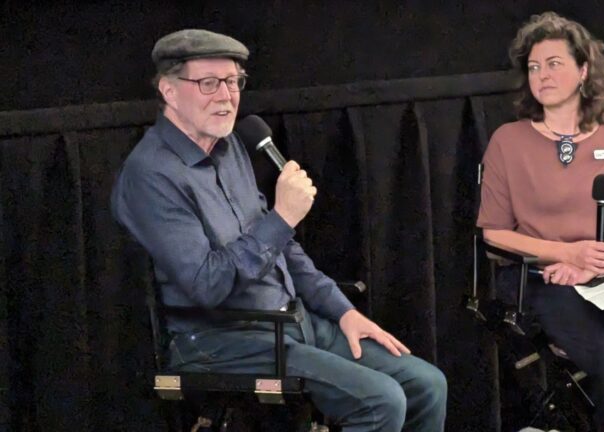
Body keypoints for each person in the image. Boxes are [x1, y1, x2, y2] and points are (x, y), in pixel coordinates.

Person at [111, 29, 446, 432]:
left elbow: (280, 247)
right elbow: (206, 284)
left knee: (426, 384)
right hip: (221, 340)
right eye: (208, 83)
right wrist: (283, 217)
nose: (226, 95)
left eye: (234, 81)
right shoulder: (151, 173)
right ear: (168, 90)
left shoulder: (230, 145)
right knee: (380, 400)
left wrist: (343, 311)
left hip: (290, 322)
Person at [476, 12, 604, 432]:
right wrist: (566, 254)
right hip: (540, 277)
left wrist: (596, 259)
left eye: (554, 63)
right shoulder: (508, 141)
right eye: (534, 67)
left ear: (583, 71)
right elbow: (494, 234)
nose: (541, 74)